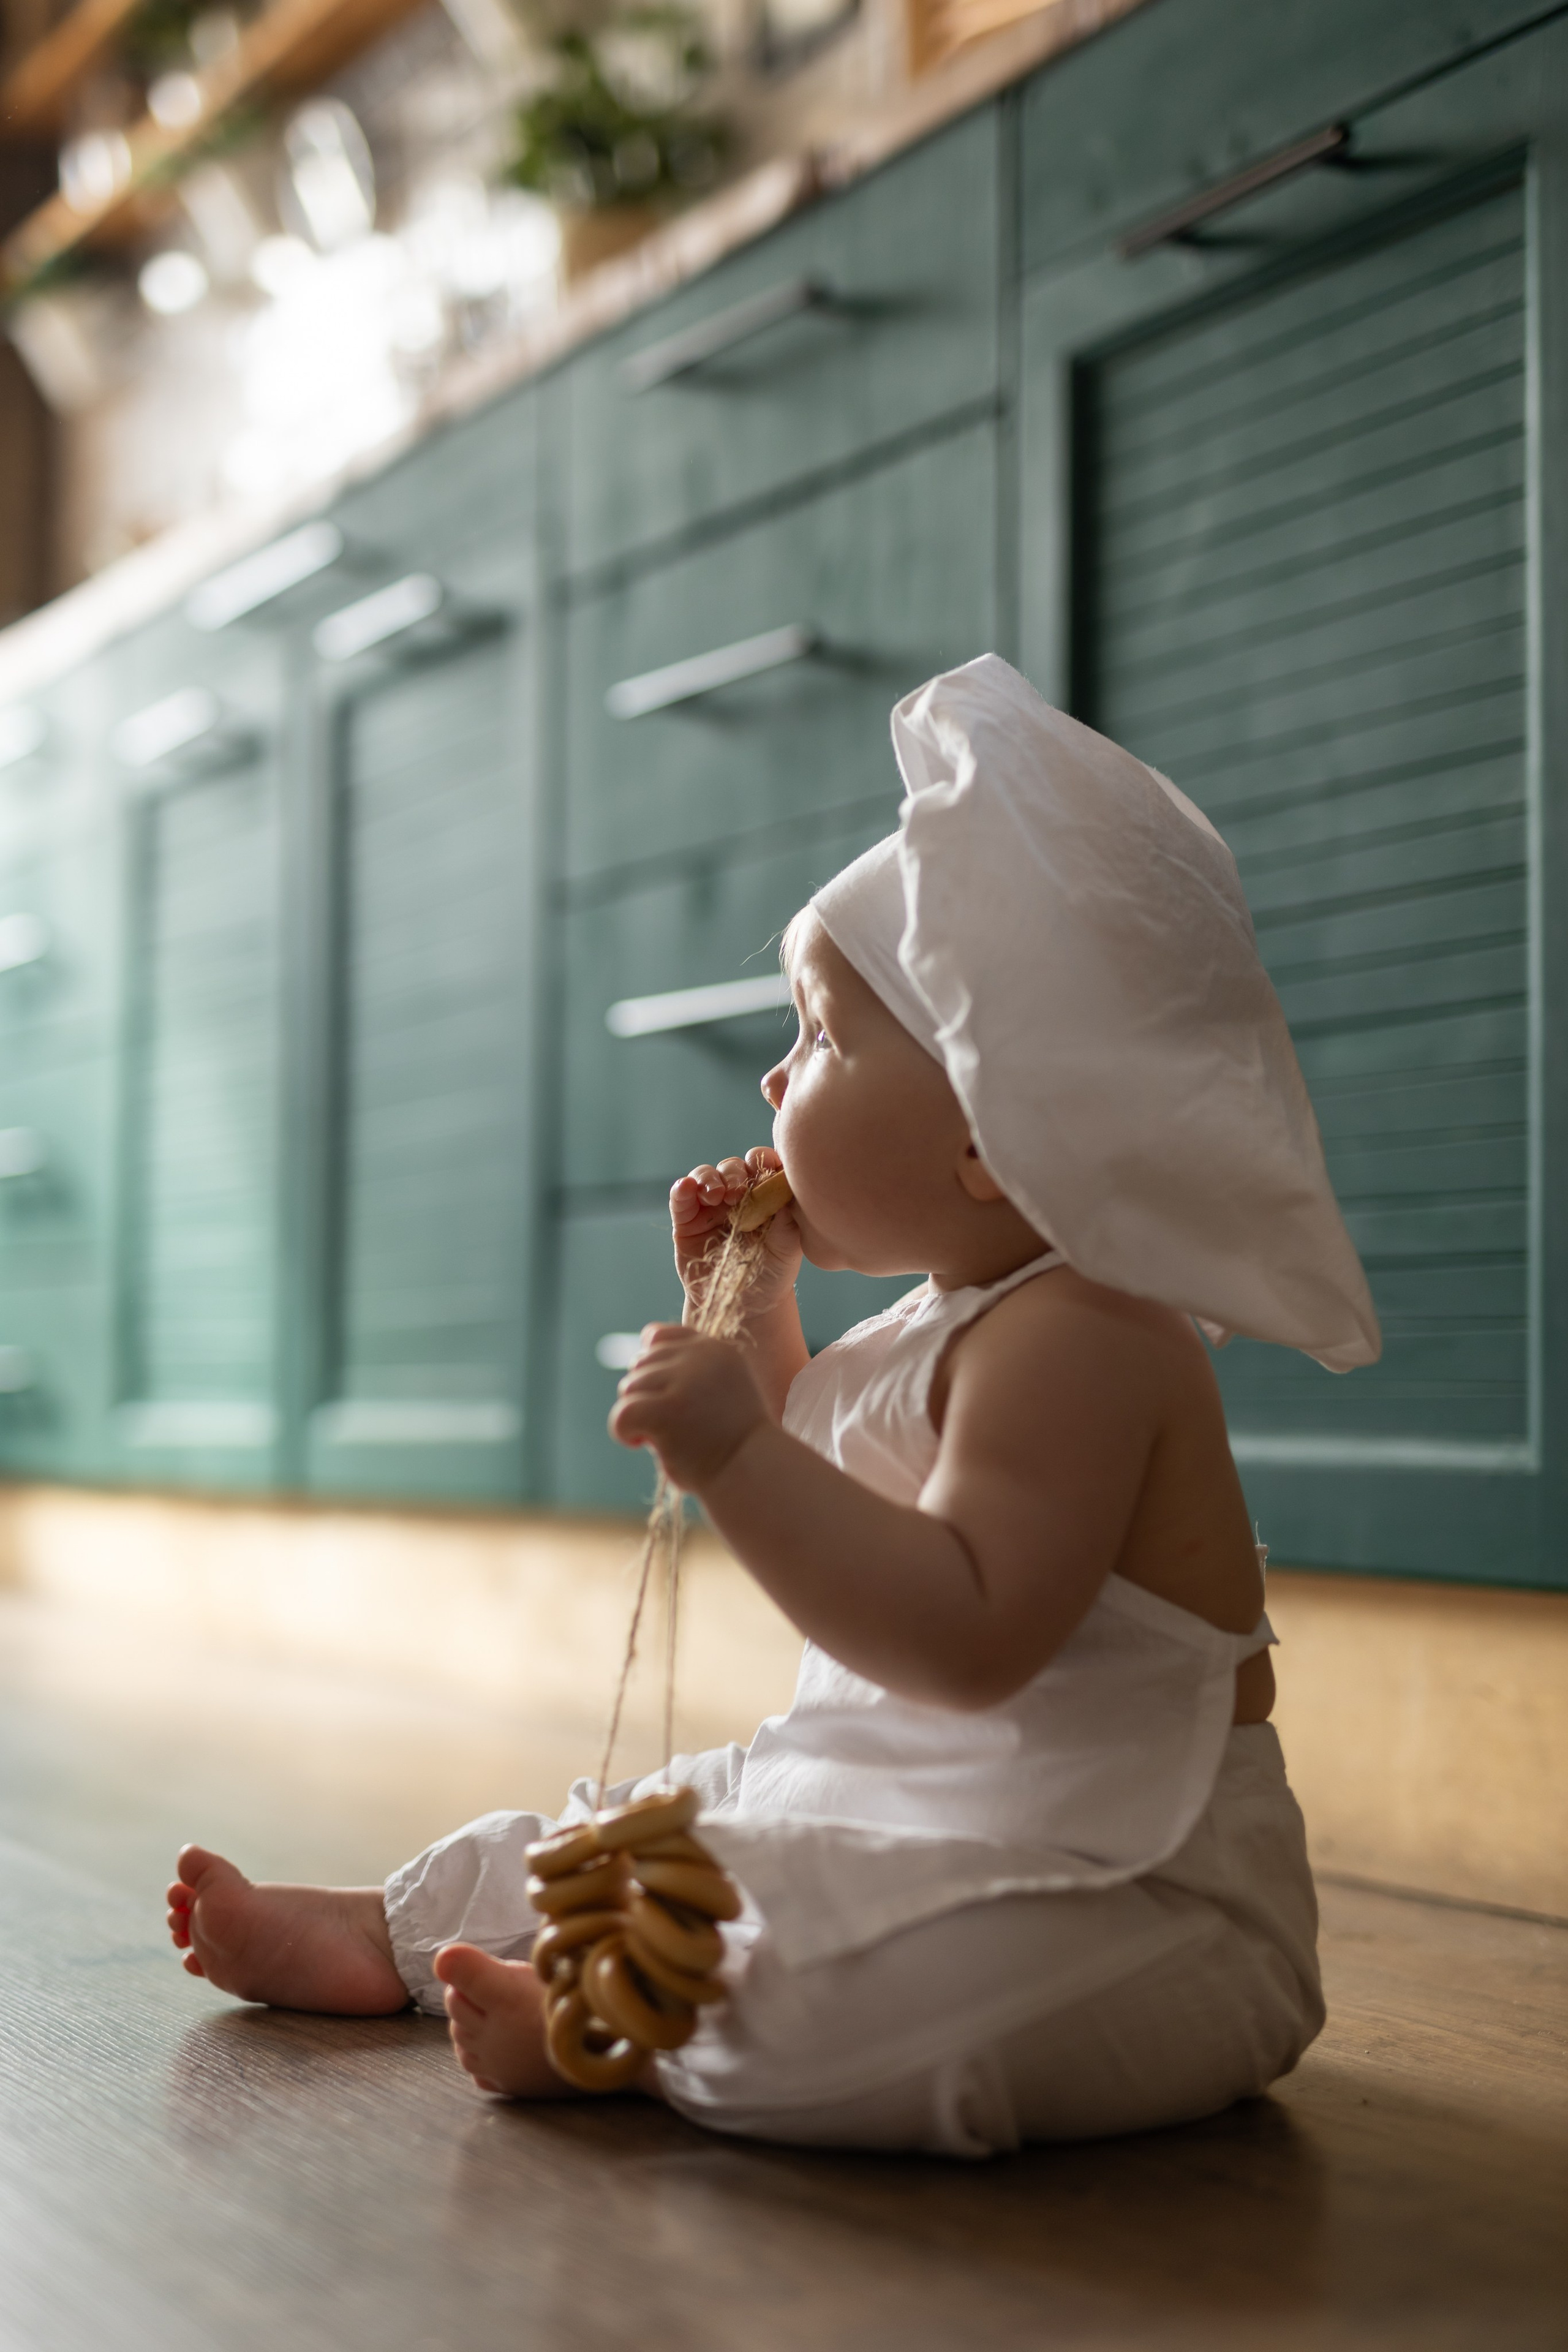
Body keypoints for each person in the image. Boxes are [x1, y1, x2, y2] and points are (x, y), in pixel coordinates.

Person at [167, 656, 1379, 2157]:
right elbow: (838, 1499)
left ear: (993, 1139)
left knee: (909, 1988)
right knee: (647, 1828)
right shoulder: (942, 1316)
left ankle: (639, 2020)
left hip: (1126, 1889)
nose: (772, 1078)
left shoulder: (1092, 1340)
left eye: (814, 1036)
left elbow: (960, 1630)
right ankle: (399, 1930)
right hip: (894, 1802)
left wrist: (735, 1448)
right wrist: (759, 1328)